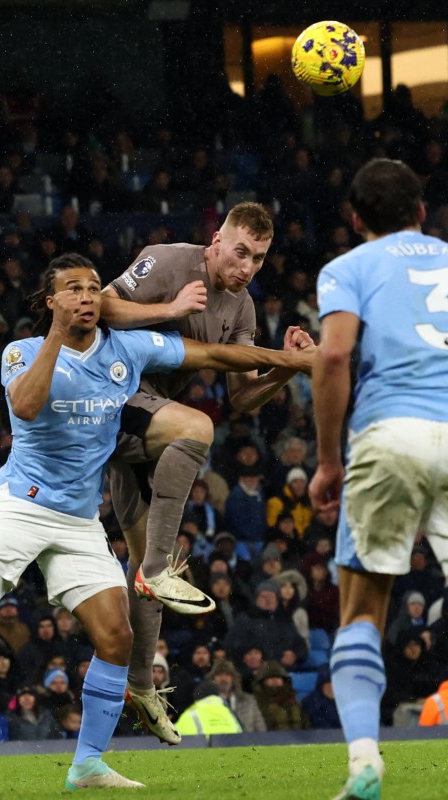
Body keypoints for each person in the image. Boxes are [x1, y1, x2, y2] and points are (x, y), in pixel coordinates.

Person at [0, 253, 311, 796]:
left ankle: (87, 765)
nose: (86, 297)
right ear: (51, 302)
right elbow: (28, 408)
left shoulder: (127, 348)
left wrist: (293, 362)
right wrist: (56, 336)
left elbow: (217, 353)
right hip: (21, 505)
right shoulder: (23, 352)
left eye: (91, 288)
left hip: (79, 518)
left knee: (117, 635)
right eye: (73, 290)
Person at [308, 159, 448, 800]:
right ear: (422, 212)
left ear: (356, 219)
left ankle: (364, 765)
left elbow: (333, 352)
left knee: (361, 615)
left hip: (390, 433)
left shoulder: (349, 267)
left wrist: (328, 460)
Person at [100, 201, 315, 744]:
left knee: (149, 575)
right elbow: (100, 307)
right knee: (197, 428)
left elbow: (242, 397)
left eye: (259, 259)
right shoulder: (167, 261)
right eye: (240, 251)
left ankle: (141, 685)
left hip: (148, 421)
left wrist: (281, 371)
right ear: (215, 239)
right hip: (109, 395)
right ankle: (153, 571)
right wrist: (169, 307)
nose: (246, 267)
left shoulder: (242, 308)